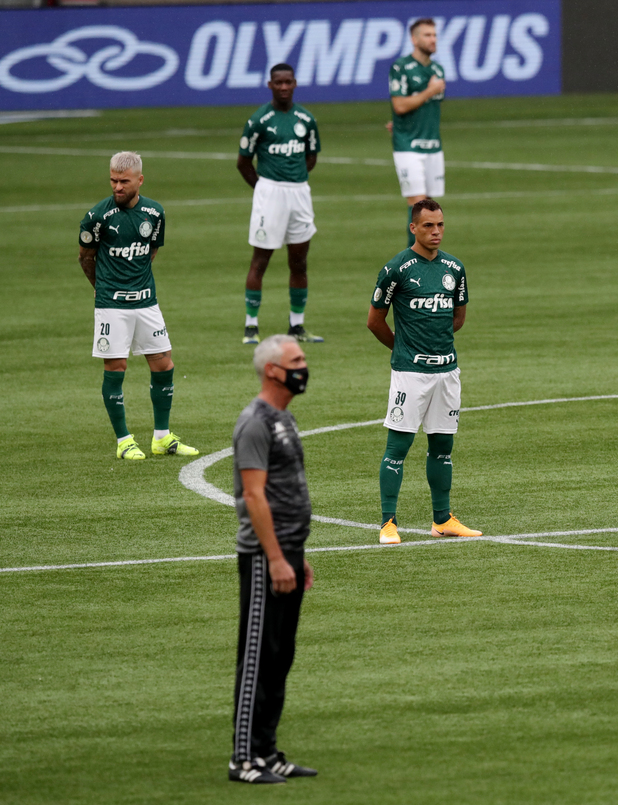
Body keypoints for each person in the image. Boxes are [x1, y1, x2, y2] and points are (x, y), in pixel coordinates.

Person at [229, 334, 318, 784]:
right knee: (258, 658)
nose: (304, 366)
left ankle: (267, 751)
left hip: (287, 553)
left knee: (280, 655)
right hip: (266, 558)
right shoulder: (255, 423)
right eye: (296, 360)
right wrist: (277, 558)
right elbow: (254, 496)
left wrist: (296, 557)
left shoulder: (284, 418)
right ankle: (243, 759)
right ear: (272, 370)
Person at [368, 199, 481, 543]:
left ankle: (442, 520)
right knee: (398, 447)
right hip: (410, 374)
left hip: (447, 371)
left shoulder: (454, 268)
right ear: (413, 228)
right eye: (428, 225)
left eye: (440, 225)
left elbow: (457, 317)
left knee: (443, 446)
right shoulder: (396, 269)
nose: (436, 231)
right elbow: (374, 321)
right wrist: (402, 349)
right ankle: (388, 523)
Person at [78, 151, 199, 460]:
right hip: (112, 305)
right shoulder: (97, 217)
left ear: (140, 180)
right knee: (115, 368)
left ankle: (161, 437)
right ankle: (124, 441)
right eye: (113, 181)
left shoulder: (154, 213)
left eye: (124, 182)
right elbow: (85, 257)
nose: (117, 187)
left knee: (164, 364)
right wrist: (102, 288)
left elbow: (150, 252)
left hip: (147, 302)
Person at [237, 63, 323, 346]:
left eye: (288, 82)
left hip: (299, 193)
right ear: (270, 85)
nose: (284, 87)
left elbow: (311, 156)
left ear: (295, 83)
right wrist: (264, 188)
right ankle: (251, 326)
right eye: (279, 83)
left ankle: (296, 326)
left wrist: (293, 179)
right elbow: (243, 162)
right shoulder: (259, 120)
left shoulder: (306, 119)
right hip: (270, 194)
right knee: (260, 260)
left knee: (299, 261)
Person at [388, 18, 447, 249]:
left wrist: (400, 123)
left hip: (433, 145)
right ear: (414, 39)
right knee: (418, 206)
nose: (433, 39)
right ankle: (411, 259)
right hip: (408, 146)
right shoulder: (401, 67)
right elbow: (400, 105)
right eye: (427, 35)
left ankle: (426, 257)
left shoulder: (437, 69)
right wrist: (430, 90)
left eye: (434, 35)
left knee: (430, 209)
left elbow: (423, 109)